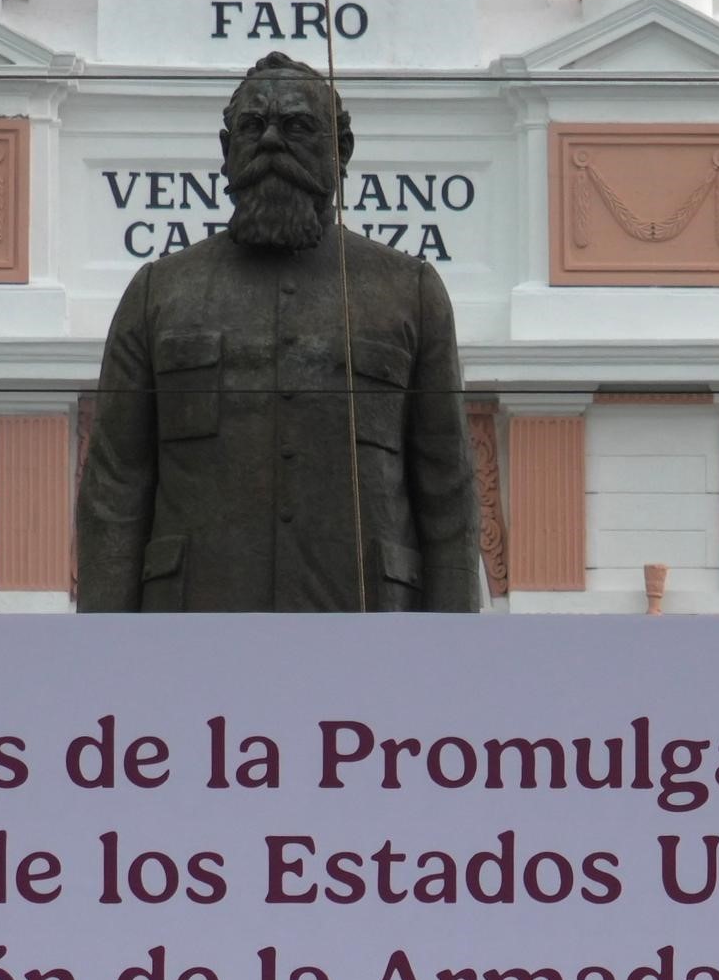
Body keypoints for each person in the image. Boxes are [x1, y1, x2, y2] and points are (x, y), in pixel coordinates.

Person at [74, 52, 481, 612]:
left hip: (366, 618)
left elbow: (447, 488)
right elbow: (115, 487)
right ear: (226, 152)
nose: (270, 142)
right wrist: (106, 648)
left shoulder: (408, 289)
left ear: (341, 151)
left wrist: (453, 649)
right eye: (251, 127)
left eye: (296, 127)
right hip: (194, 621)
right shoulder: (158, 292)